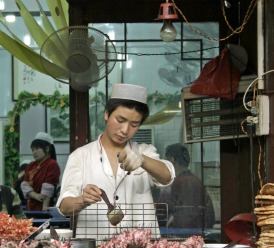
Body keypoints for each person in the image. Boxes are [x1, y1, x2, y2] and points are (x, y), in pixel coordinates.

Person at [57, 83, 175, 240]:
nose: (125, 130)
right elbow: (64, 207)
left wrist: (142, 159)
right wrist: (82, 200)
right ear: (106, 114)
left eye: (134, 125)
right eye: (120, 120)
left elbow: (167, 176)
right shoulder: (80, 156)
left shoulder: (145, 151)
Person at [158, 143, 215, 229]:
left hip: (179, 235)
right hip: (199, 234)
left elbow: (160, 215)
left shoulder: (173, 184)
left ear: (171, 160)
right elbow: (210, 216)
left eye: (165, 161)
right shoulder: (197, 181)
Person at [21, 132, 61, 211]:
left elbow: (48, 188)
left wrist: (44, 209)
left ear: (47, 149)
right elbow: (24, 185)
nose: (34, 152)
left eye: (37, 149)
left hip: (44, 208)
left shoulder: (52, 164)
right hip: (30, 207)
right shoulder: (31, 165)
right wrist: (35, 195)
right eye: (32, 150)